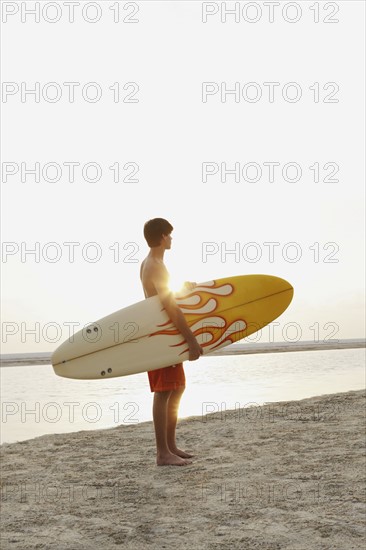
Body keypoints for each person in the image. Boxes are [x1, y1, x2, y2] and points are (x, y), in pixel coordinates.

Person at [140, 218, 203, 466]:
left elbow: (162, 297)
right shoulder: (156, 265)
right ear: (163, 237)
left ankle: (171, 446)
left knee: (177, 387)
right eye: (170, 235)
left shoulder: (151, 263)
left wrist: (181, 289)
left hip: (163, 334)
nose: (172, 239)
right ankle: (162, 453)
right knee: (164, 391)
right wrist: (191, 341)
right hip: (160, 336)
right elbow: (171, 308)